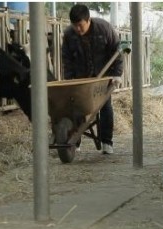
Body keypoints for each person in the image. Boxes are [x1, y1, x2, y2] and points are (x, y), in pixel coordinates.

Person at [62, 4, 123, 154]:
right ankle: (75, 141)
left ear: (88, 20)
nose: (78, 29)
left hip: (103, 77)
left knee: (105, 106)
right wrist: (70, 80)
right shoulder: (69, 34)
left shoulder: (104, 29)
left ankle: (107, 142)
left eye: (80, 25)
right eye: (74, 25)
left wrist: (117, 74)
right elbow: (67, 59)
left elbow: (117, 51)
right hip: (81, 79)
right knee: (77, 108)